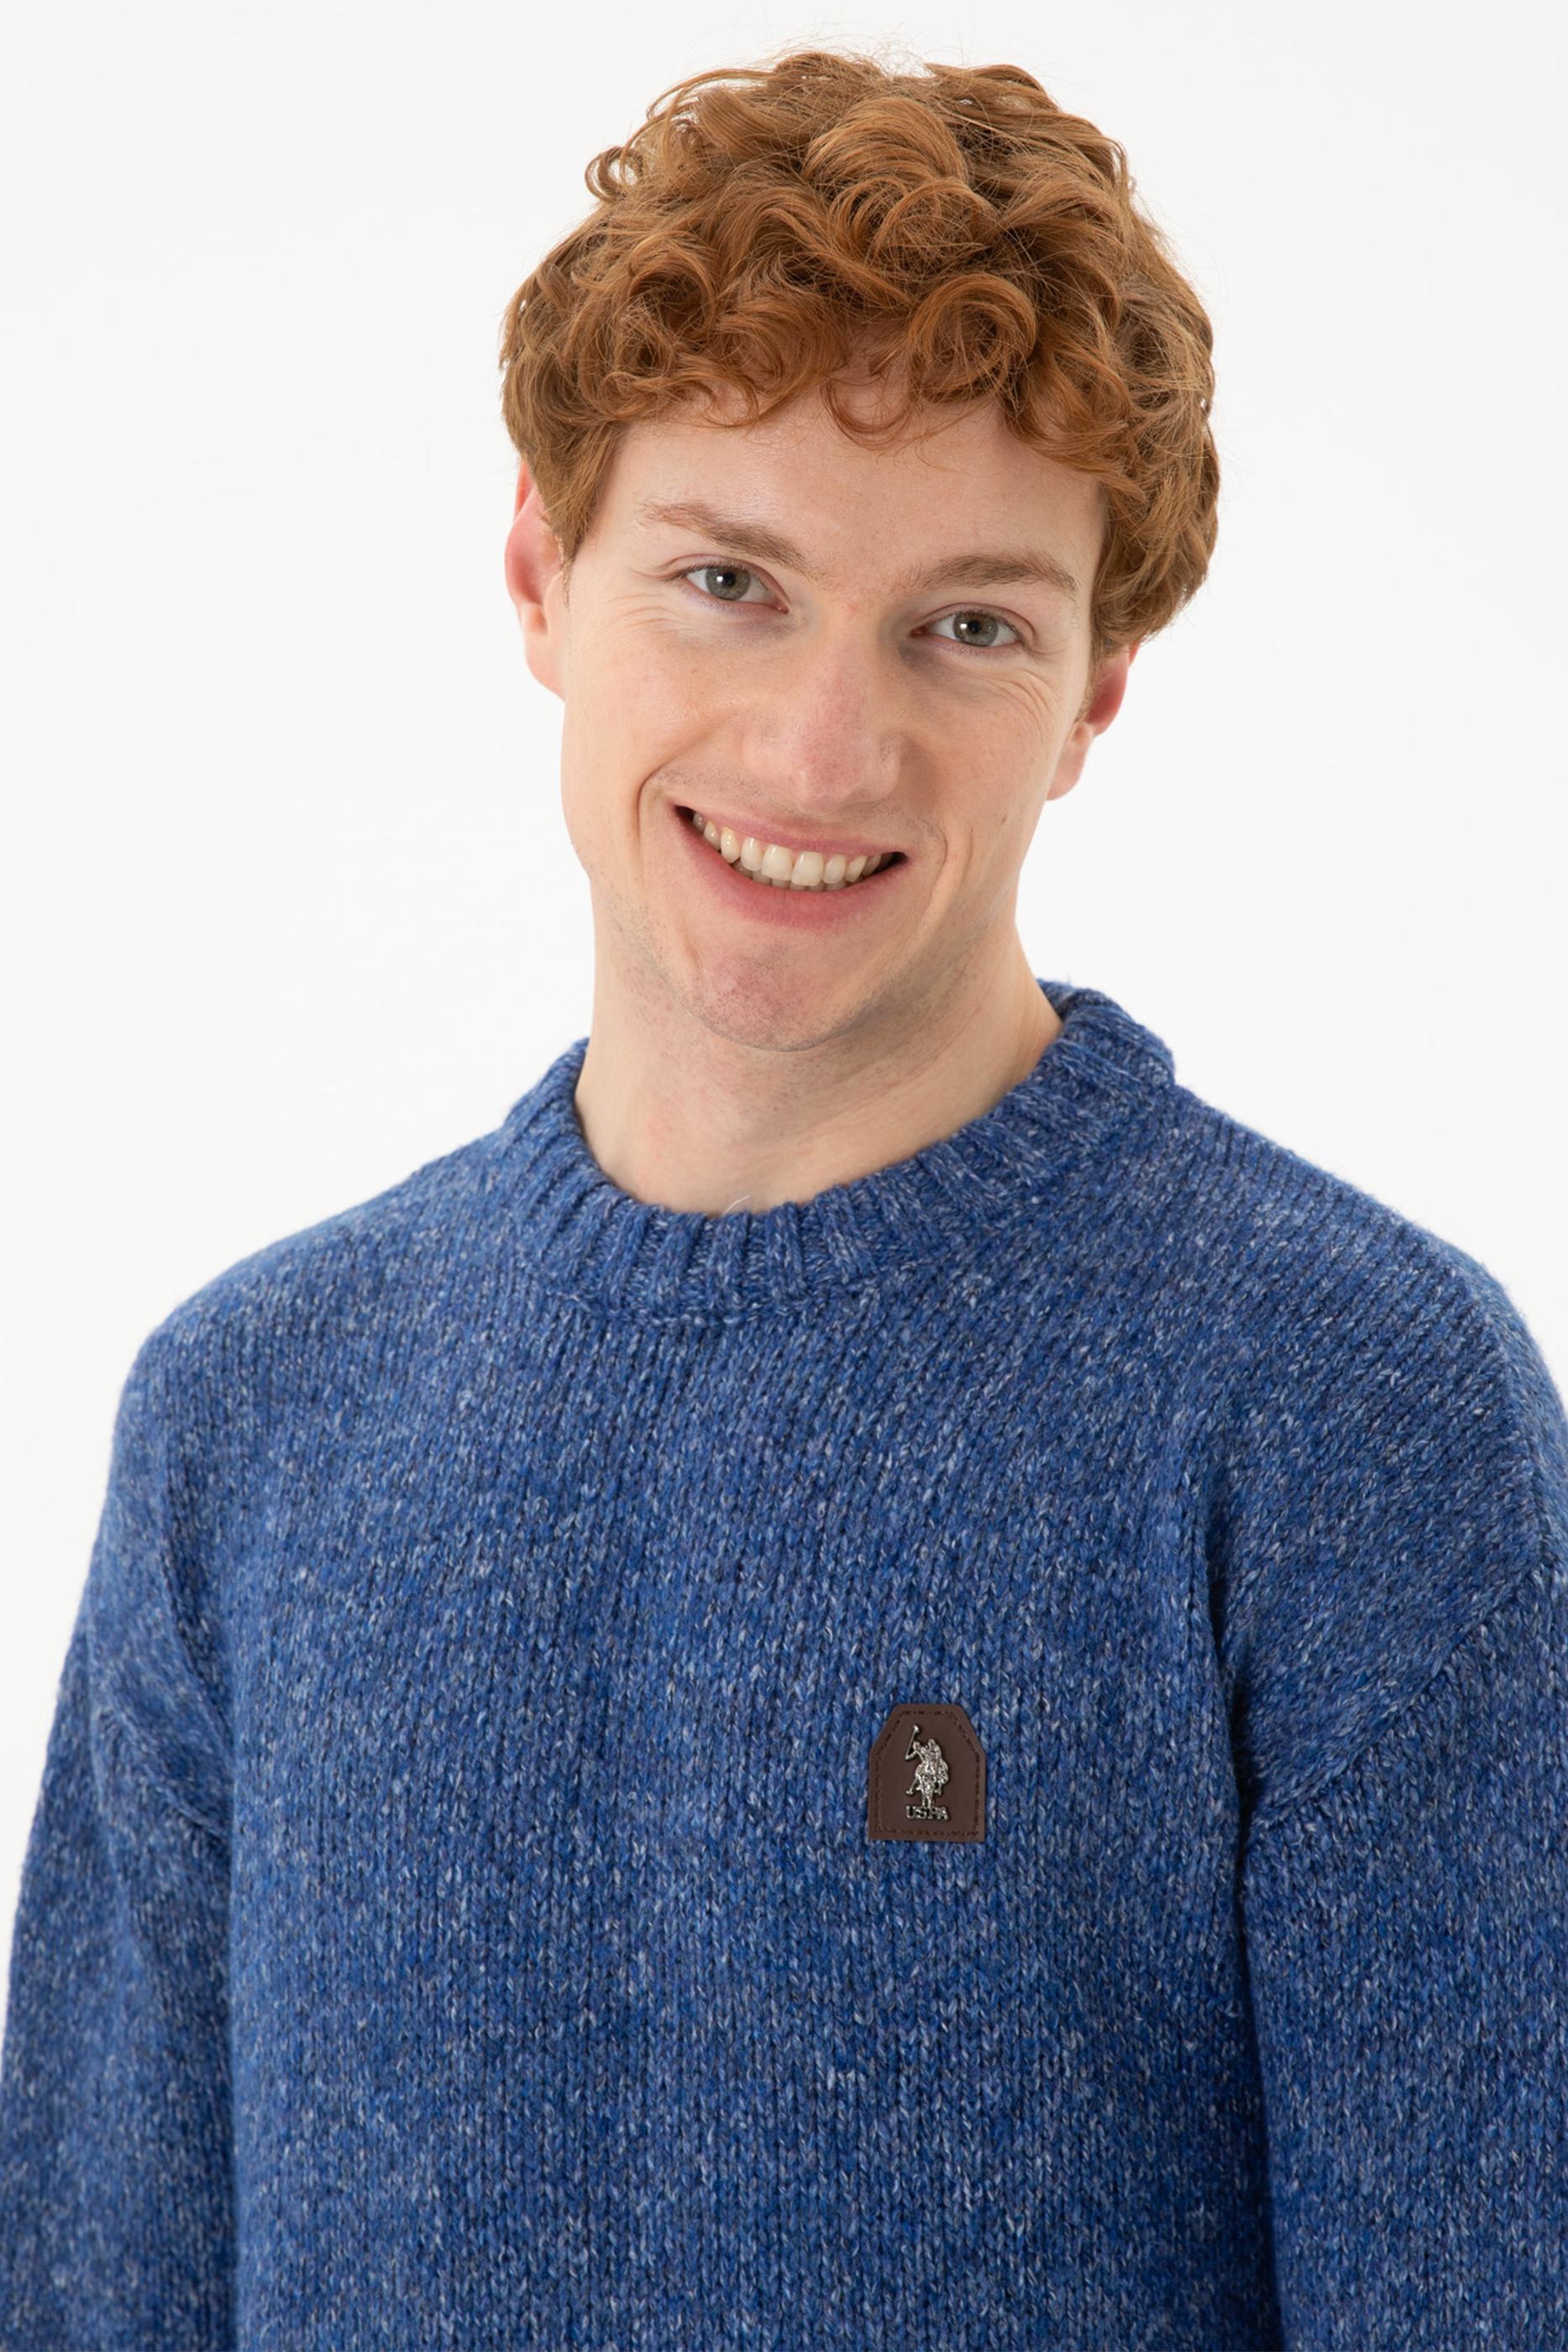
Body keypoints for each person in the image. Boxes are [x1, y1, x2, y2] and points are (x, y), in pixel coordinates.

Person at [2, 43, 1564, 2350]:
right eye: (728, 581)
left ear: (1099, 692)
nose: (824, 751)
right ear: (541, 576)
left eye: (968, 624)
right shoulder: (254, 1416)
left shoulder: (1346, 1405)